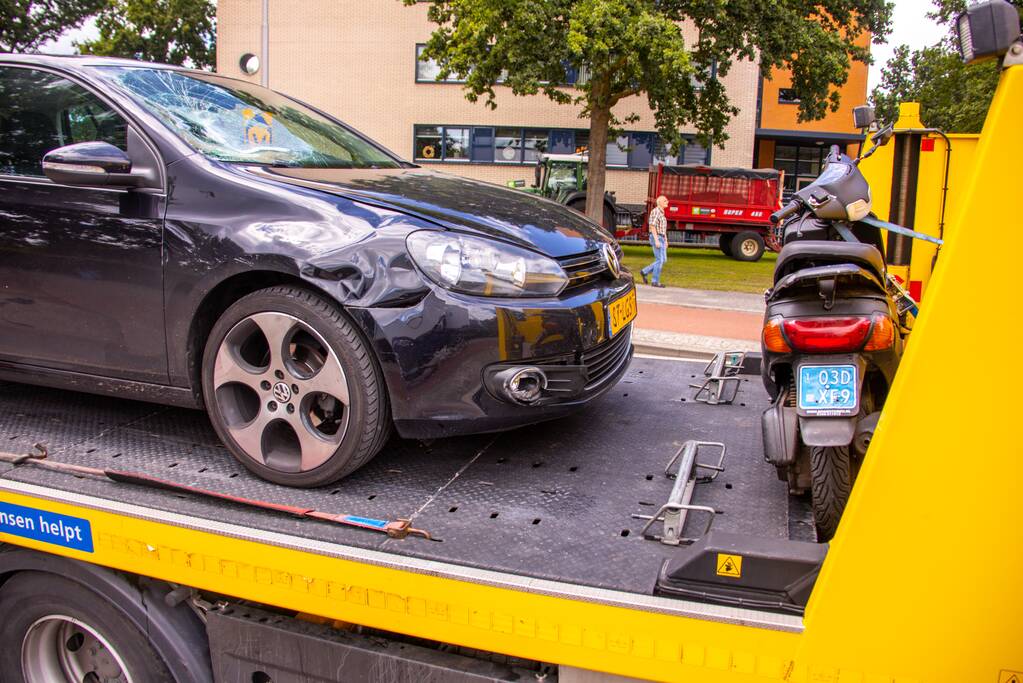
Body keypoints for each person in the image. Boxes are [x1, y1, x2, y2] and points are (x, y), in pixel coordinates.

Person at [640, 195, 669, 287]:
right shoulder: (656, 211)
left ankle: (645, 271)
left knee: (663, 260)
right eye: (665, 201)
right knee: (659, 260)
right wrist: (656, 240)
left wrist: (666, 240)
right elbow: (652, 226)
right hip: (657, 237)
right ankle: (655, 281)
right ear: (659, 202)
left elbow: (663, 228)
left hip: (662, 237)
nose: (667, 202)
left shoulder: (662, 213)